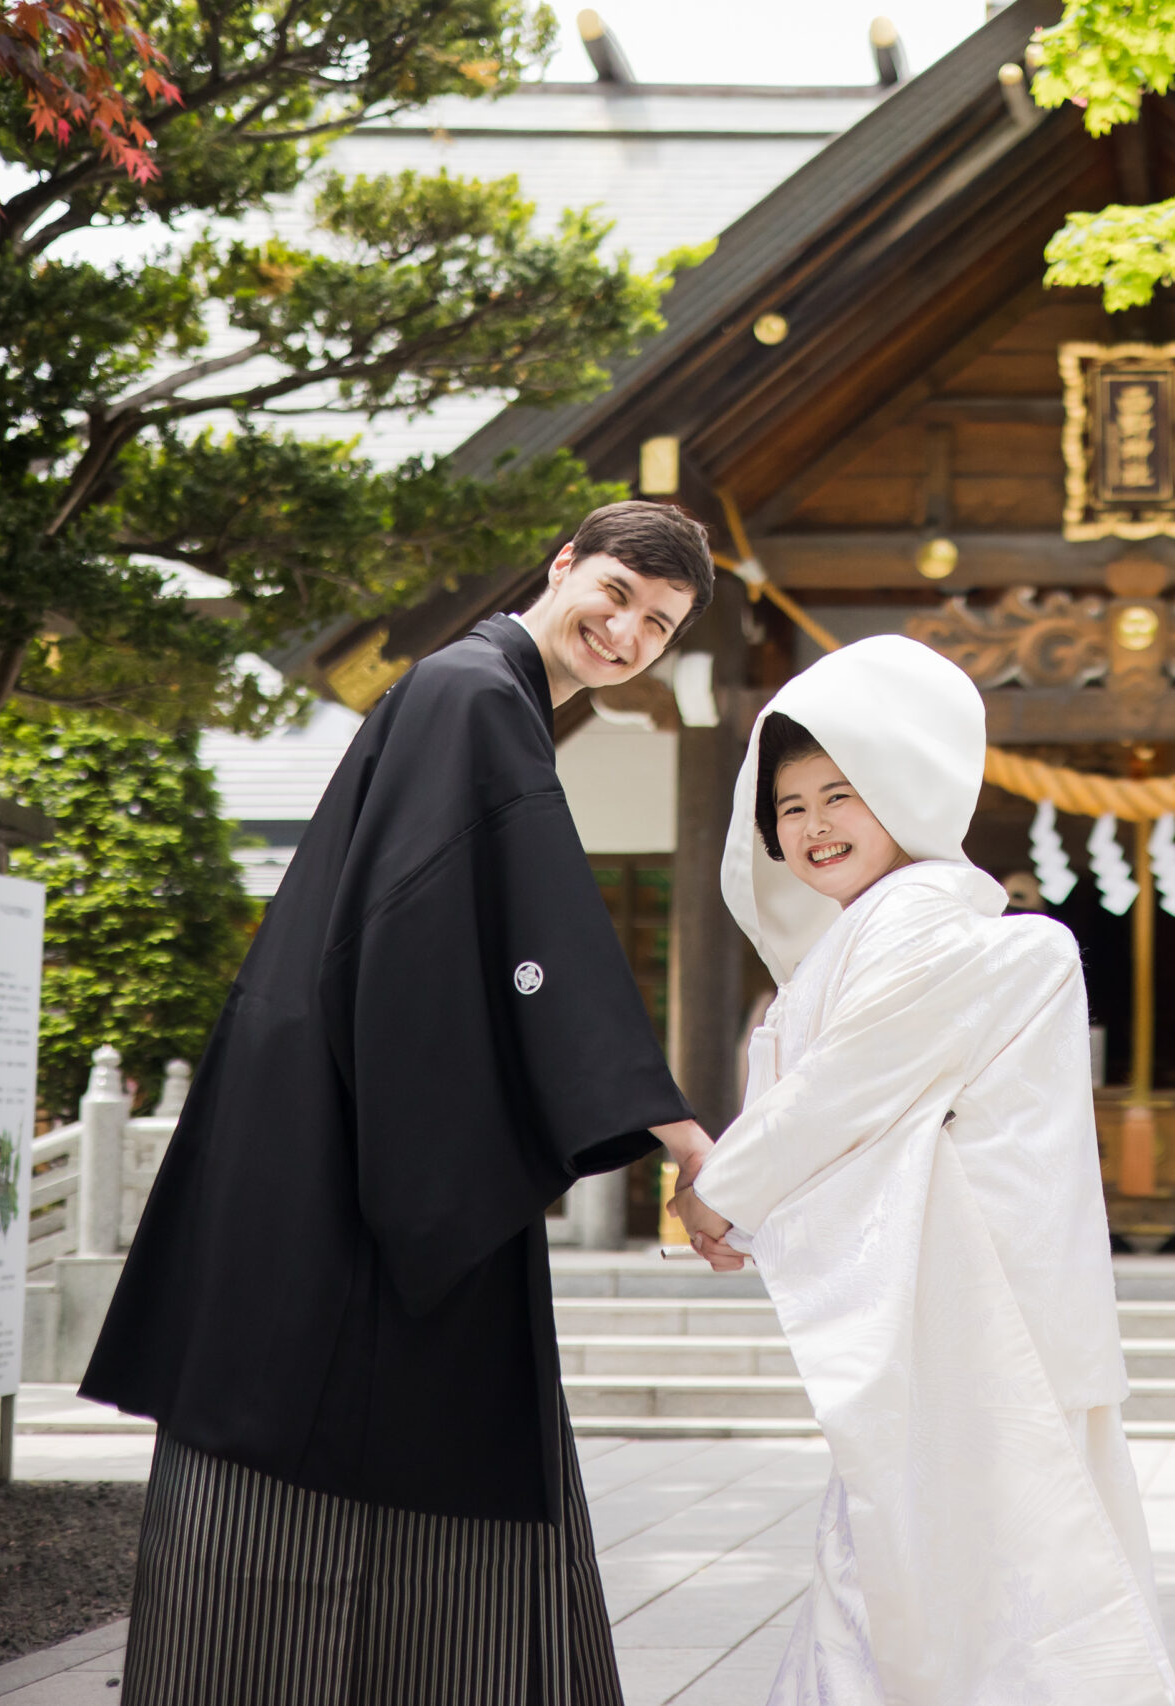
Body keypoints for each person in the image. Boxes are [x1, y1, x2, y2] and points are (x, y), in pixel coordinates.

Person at [81, 501, 721, 1706]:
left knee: (344, 1396)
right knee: (386, 1397)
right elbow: (529, 936)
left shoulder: (474, 697)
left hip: (346, 1110)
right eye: (619, 594)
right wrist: (669, 1122)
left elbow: (491, 936)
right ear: (565, 563)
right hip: (354, 1124)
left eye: (660, 623)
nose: (627, 632)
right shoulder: (475, 696)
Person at [672, 636, 1175, 1706]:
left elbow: (846, 1086)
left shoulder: (939, 929)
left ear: (903, 790)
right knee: (926, 1553)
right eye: (791, 804)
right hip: (945, 1303)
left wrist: (721, 1188)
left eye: (840, 794)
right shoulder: (875, 935)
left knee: (951, 1559)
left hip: (978, 1304)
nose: (811, 826)